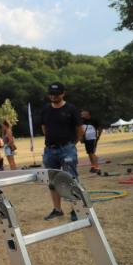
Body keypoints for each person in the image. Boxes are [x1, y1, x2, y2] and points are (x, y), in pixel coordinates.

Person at [41, 82, 84, 222]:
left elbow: (80, 130)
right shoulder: (46, 110)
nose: (53, 96)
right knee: (52, 181)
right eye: (51, 94)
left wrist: (71, 145)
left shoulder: (71, 109)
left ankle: (76, 210)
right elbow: (44, 128)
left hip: (67, 149)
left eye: (56, 94)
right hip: (49, 151)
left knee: (70, 179)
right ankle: (57, 210)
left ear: (63, 93)